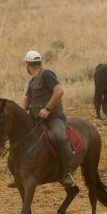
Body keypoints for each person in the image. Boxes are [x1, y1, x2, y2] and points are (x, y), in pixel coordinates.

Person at [17, 50, 76, 188]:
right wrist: (21, 114)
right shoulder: (32, 81)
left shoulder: (47, 75)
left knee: (60, 137)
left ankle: (68, 172)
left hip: (54, 118)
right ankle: (19, 173)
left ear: (27, 64)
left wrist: (48, 109)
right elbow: (26, 100)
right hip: (36, 119)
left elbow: (59, 91)